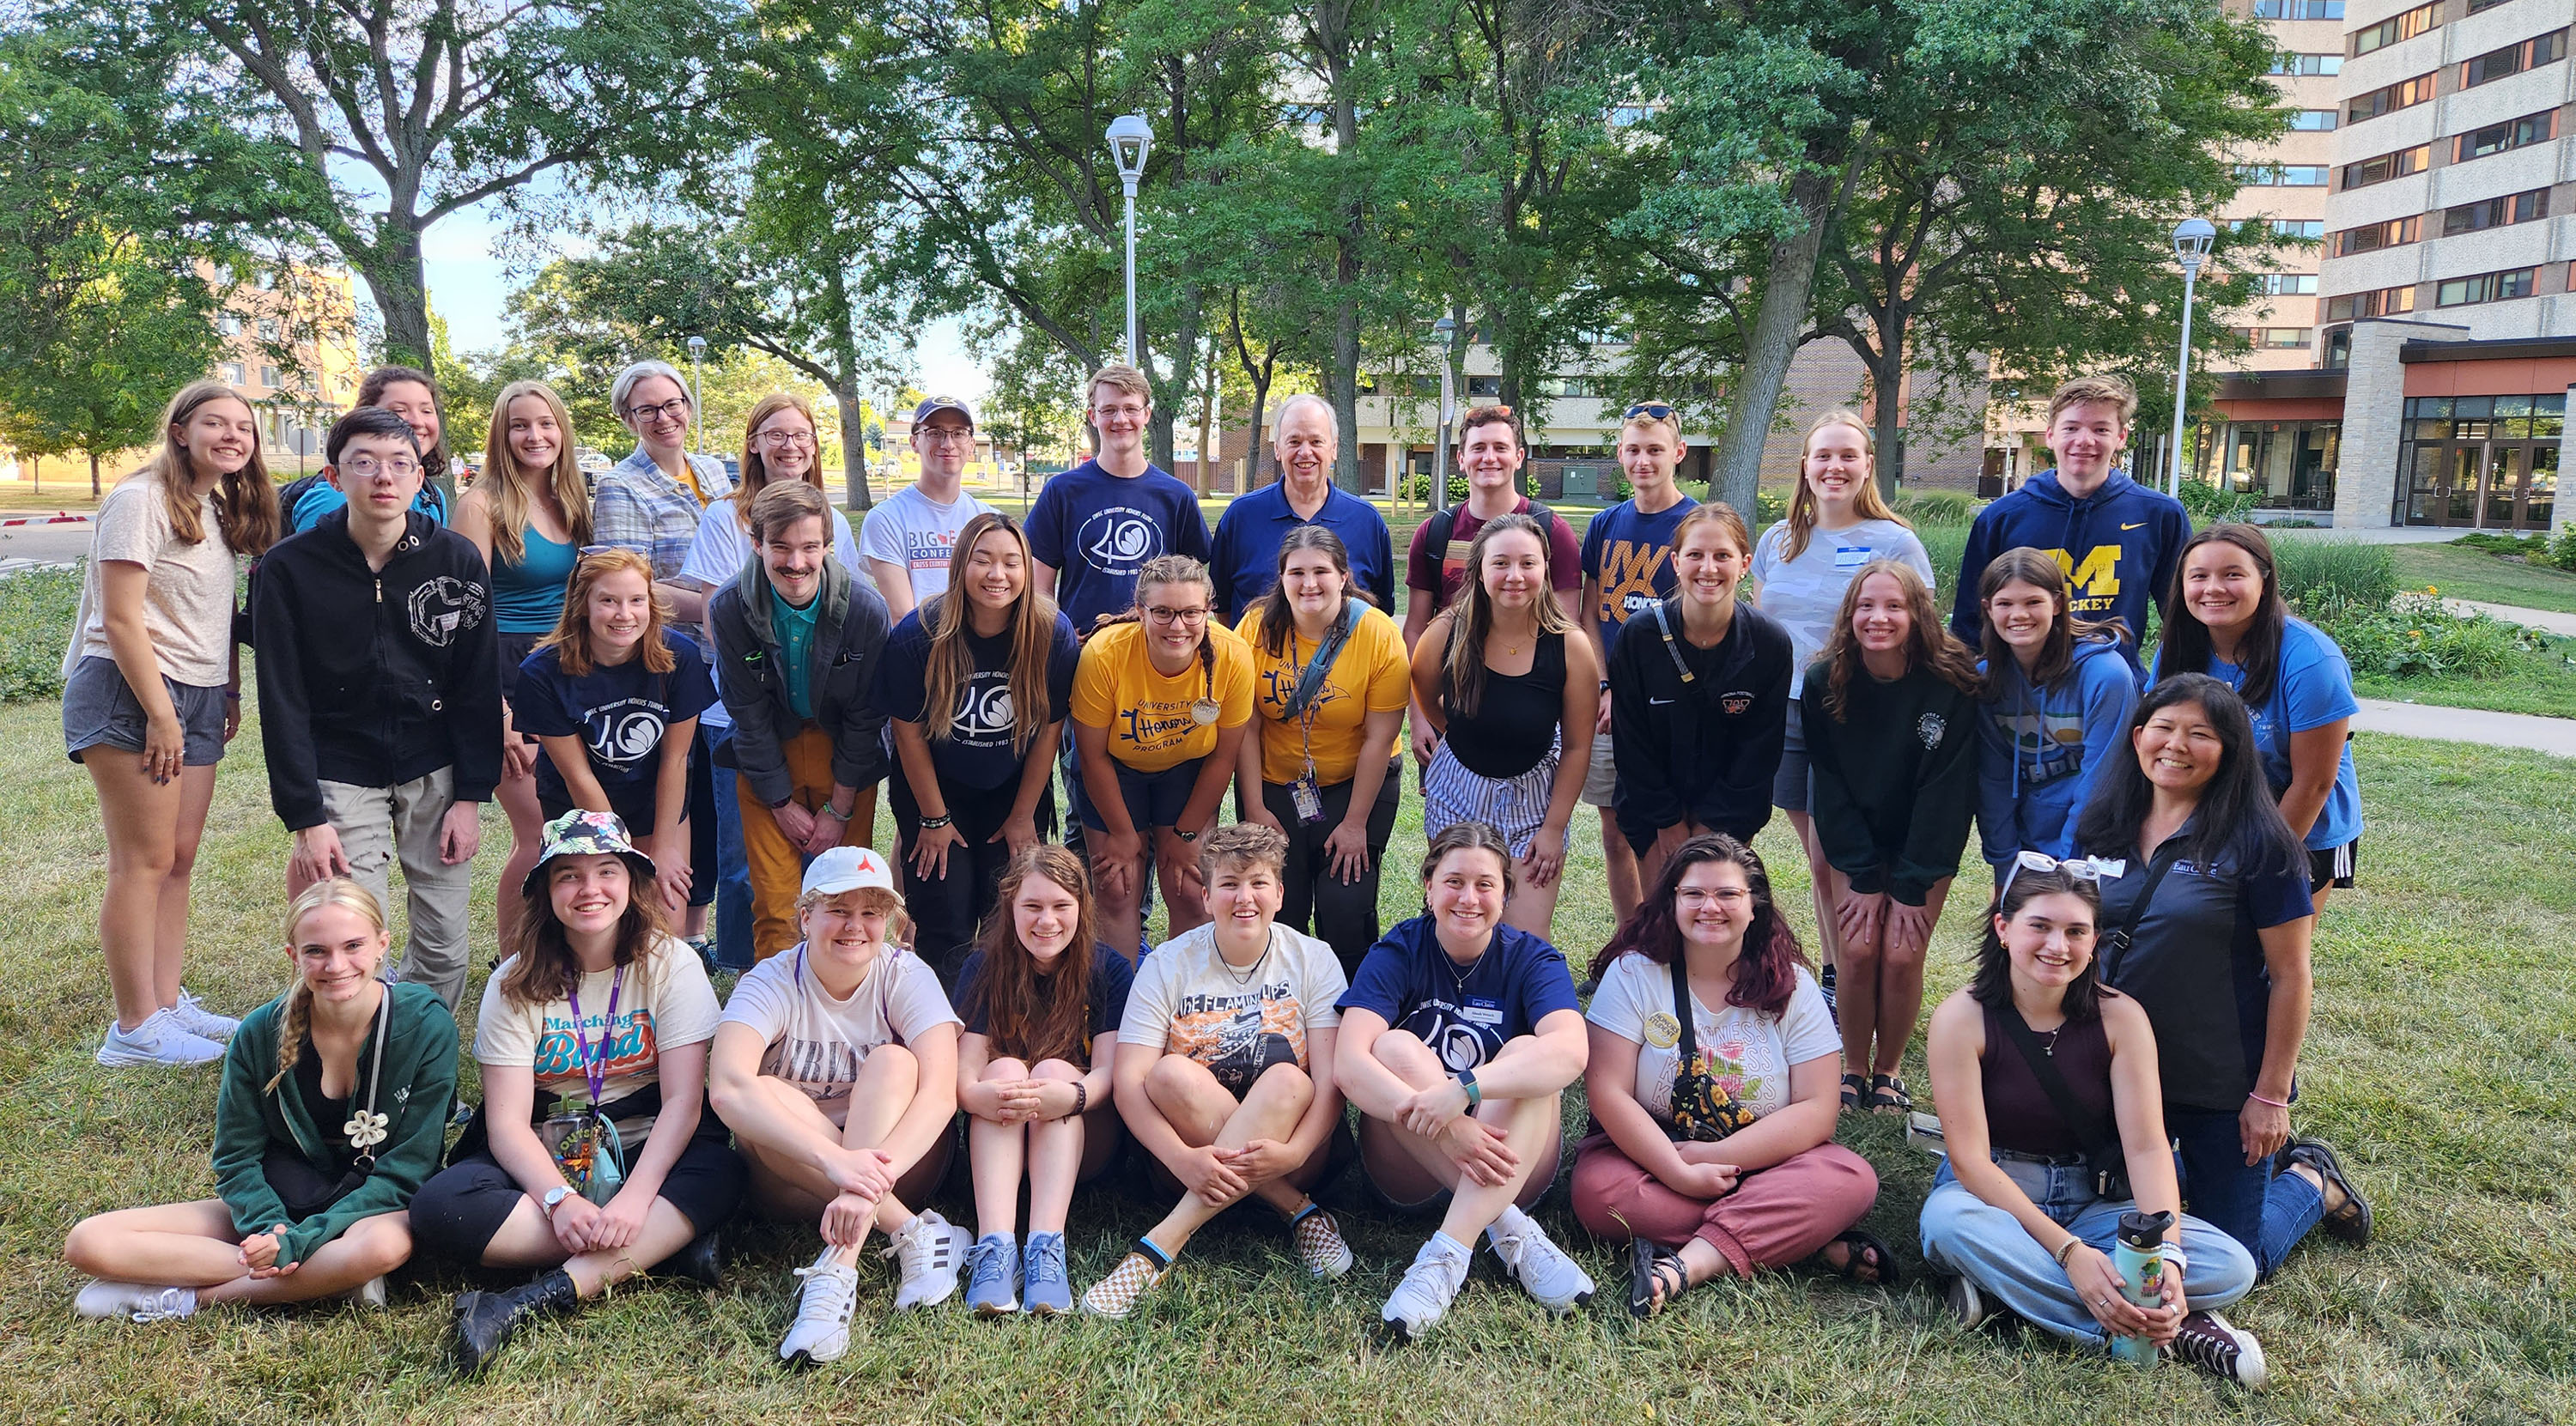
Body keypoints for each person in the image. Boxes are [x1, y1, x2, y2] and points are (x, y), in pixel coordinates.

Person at [410, 811, 743, 1374]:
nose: (590, 889)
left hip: (650, 1146)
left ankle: (523, 1301)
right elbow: (508, 1123)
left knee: (726, 1175)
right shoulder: (512, 981)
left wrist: (636, 1197)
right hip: (549, 1153)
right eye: (568, 875)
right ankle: (659, 1250)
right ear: (545, 890)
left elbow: (685, 1100)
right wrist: (558, 1201)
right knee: (439, 1207)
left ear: (631, 882)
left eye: (606, 870)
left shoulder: (673, 965)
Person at [1919, 862, 2268, 1386]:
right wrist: (2070, 1253)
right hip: (1995, 1197)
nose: (2057, 946)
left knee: (2232, 1263)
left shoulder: (2121, 1017)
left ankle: (2006, 1295)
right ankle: (2145, 1329)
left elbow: (2148, 1148)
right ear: (2003, 927)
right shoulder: (1961, 1018)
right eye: (2040, 926)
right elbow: (1968, 1160)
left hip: (2095, 1200)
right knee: (1950, 1226)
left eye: (2076, 931)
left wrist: (2166, 1258)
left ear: (2095, 941)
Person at [2073, 676, 2372, 1281]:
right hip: (2119, 1073)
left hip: (2220, 1085)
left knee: (2240, 1260)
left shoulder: (2261, 846)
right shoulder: (2101, 827)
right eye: (2163, 727)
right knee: (2108, 1218)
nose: (2176, 744)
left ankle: (2309, 1179)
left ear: (2230, 750)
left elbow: (2292, 974)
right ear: (2137, 737)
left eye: (2200, 733)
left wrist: (2269, 1095)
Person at [63, 878, 458, 1322]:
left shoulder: (425, 1024)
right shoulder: (259, 1033)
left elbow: (409, 1171)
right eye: (316, 951)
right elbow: (236, 1159)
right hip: (283, 1199)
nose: (336, 964)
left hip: (371, 1210)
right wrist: (270, 1229)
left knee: (385, 1246)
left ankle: (187, 1300)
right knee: (89, 1241)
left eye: (353, 946)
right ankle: (329, 1277)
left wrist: (303, 1238)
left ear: (382, 945)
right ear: (294, 955)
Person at [1572, 836, 1890, 1318]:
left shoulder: (1793, 986)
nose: (1710, 908)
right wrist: (1679, 1170)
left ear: (1754, 904)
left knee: (1853, 1179)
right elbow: (1608, 1093)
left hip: (1768, 1159)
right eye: (1693, 894)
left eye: (1727, 894)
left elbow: (1818, 1109)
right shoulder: (1634, 974)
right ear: (1672, 900)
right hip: (1653, 1158)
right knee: (1598, 1195)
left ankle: (1690, 1264)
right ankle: (1799, 1237)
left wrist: (1716, 1156)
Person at [252, 406, 499, 1010]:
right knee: (353, 932)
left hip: (434, 767)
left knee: (445, 947)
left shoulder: (457, 562)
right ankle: (357, 1049)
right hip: (340, 769)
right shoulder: (289, 569)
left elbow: (476, 684)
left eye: (399, 465)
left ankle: (419, 1042)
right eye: (364, 464)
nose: (383, 478)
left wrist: (470, 797)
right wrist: (306, 818)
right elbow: (280, 699)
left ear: (422, 478)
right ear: (334, 478)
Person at [64, 380, 279, 1065]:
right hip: (133, 692)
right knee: (143, 861)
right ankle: (133, 1028)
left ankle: (163, 999)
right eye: (215, 422)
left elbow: (212, 614)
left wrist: (229, 689)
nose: (232, 436)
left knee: (178, 860)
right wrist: (161, 714)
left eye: (242, 427)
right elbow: (121, 616)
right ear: (180, 430)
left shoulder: (212, 507)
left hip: (198, 692)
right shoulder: (140, 498)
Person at [1078, 825, 1355, 1319]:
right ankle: (1296, 1209)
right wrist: (1182, 1159)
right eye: (1229, 884)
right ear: (1206, 896)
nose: (1243, 898)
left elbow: (1332, 1082)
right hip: (1185, 1160)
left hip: (1291, 1153)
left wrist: (1292, 1152)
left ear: (1280, 895)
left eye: (1258, 883)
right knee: (1166, 1075)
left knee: (1291, 1080)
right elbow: (1128, 1081)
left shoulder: (1313, 959)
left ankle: (1159, 1245)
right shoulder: (1167, 963)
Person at [708, 846, 967, 1362]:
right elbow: (727, 1087)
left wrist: (861, 1179)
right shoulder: (771, 979)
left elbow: (941, 1092)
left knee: (896, 1063)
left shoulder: (904, 974)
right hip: (794, 1178)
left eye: (871, 912)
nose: (855, 926)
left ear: (889, 921)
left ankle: (837, 1272)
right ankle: (914, 1231)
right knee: (763, 1090)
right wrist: (839, 1163)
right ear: (806, 917)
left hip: (903, 1165)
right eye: (839, 910)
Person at [1336, 823, 1594, 1338]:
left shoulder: (1532, 957)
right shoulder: (1400, 949)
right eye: (1454, 881)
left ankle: (1448, 1253)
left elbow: (1571, 1051)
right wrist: (1452, 1127)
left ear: (1505, 893)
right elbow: (1348, 1063)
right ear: (1429, 886)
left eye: (1485, 885)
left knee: (1529, 1052)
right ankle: (1508, 1231)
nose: (1468, 899)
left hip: (1510, 1154)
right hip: (1411, 1165)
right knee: (1393, 1048)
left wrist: (1464, 1091)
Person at [1750, 409, 1935, 1011]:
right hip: (1789, 714)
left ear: (1867, 466)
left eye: (1847, 456)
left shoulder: (1895, 540)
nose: (1834, 466)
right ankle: (1839, 975)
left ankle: (1862, 972)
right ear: (1805, 464)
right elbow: (1758, 630)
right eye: (1823, 455)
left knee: (1846, 852)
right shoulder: (1778, 540)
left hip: (1860, 714)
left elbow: (1920, 633)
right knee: (1819, 856)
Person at [678, 391, 865, 969]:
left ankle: (831, 975)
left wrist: (839, 802)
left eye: (801, 433)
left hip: (829, 731)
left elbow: (855, 663)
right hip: (750, 717)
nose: (797, 560)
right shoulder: (725, 524)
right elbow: (716, 618)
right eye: (776, 433)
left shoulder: (841, 549)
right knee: (750, 869)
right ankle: (749, 976)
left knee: (832, 872)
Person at [1803, 559, 1979, 1118]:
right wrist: (1859, 873)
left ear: (1918, 613)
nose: (1878, 617)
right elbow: (1828, 784)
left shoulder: (1952, 682)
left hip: (1924, 838)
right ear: (1849, 614)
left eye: (1894, 606)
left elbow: (1947, 794)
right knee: (1855, 950)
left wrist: (1907, 884)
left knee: (1902, 954)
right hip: (1854, 836)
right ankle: (1854, 1066)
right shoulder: (1824, 680)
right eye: (1866, 606)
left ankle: (1890, 1070)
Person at [876, 513, 1081, 982]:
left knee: (1006, 914)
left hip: (1010, 790)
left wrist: (1024, 815)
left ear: (1028, 571)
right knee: (944, 917)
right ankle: (937, 1030)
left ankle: (1000, 1032)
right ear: (959, 566)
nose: (997, 574)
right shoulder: (920, 632)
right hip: (936, 788)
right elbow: (906, 731)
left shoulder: (1051, 631)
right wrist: (932, 817)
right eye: (982, 560)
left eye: (1012, 562)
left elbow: (1050, 729)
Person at [708, 482, 894, 960]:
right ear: (757, 544)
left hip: (843, 754)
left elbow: (866, 715)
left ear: (828, 547)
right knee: (776, 903)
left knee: (846, 895)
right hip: (769, 751)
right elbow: (746, 715)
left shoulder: (865, 609)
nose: (796, 563)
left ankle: (844, 999)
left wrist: (841, 807)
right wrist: (779, 802)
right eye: (781, 548)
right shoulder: (729, 608)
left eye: (810, 547)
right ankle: (778, 1020)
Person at [953, 846, 1134, 1315]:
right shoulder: (984, 967)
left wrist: (1070, 1096)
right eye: (1032, 906)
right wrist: (985, 1096)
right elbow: (964, 1076)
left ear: (1083, 908)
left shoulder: (1108, 969)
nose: (1046, 921)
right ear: (1010, 905)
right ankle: (995, 1249)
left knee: (1056, 1071)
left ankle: (1045, 1249)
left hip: (1082, 1137)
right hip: (1004, 1136)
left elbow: (1111, 1075)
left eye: (1061, 906)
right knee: (1006, 1073)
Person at [2152, 524, 2362, 907]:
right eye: (2198, 576)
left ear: (2264, 582)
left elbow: (2314, 783)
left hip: (2302, 825)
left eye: (2233, 575)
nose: (2213, 588)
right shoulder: (2179, 648)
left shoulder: (2311, 660)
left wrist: (2261, 868)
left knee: (2270, 957)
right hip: (2214, 818)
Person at [1409, 515, 1601, 936]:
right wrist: (1466, 733)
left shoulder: (1570, 646)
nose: (1515, 577)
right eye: (1501, 564)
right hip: (1459, 790)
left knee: (1522, 941)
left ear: (1545, 570)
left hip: (1533, 802)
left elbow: (1576, 748)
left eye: (1528, 564)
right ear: (1479, 569)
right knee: (1463, 926)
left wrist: (1553, 829)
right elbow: (1426, 693)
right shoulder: (1446, 633)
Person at [453, 379, 592, 950]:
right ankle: (512, 966)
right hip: (507, 670)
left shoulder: (574, 498)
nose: (535, 435)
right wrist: (501, 710)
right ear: (501, 435)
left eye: (546, 423)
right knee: (537, 832)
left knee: (576, 828)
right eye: (520, 425)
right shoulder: (480, 504)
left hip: (571, 667)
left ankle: (560, 952)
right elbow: (462, 619)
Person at [513, 549, 719, 933]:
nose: (625, 614)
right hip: (579, 807)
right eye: (608, 601)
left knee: (661, 921)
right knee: (598, 922)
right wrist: (618, 855)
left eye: (637, 600)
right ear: (582, 606)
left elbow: (676, 761)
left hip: (659, 803)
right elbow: (578, 777)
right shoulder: (542, 674)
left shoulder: (680, 658)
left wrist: (662, 847)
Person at [1234, 525, 1409, 974]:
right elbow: (1246, 724)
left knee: (1344, 905)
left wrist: (1354, 824)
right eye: (1297, 572)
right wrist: (1254, 805)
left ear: (1344, 576)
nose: (1309, 583)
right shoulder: (1256, 627)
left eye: (1321, 571)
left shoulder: (1378, 634)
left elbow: (1378, 738)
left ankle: (1352, 1006)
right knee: (1278, 903)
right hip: (1274, 784)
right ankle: (1280, 1004)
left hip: (1356, 783)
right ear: (1281, 577)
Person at [1069, 554, 1255, 956]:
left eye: (1191, 613)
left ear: (1208, 610)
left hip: (1187, 770)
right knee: (1118, 889)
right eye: (1163, 612)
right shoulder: (1104, 654)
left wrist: (1187, 835)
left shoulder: (1233, 655)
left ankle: (1180, 1002)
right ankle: (1122, 1004)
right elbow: (1091, 755)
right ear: (1140, 611)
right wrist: (1122, 834)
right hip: (1114, 769)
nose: (1178, 626)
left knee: (1187, 888)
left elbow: (1224, 757)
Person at [1949, 373, 2190, 674]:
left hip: (2111, 686)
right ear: (2050, 435)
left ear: (2121, 437)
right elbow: (1969, 624)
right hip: (2018, 689)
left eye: (2101, 429)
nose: (2084, 440)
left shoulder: (2159, 515)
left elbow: (2183, 619)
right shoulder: (2002, 518)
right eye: (2071, 428)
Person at [1607, 503, 1793, 891]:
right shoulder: (1639, 637)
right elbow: (1632, 744)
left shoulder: (1769, 643)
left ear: (1744, 564)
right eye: (1695, 555)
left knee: (1714, 918)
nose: (1708, 568)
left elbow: (1759, 752)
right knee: (1664, 923)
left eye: (1722, 556)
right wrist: (1669, 824)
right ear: (1675, 562)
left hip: (1731, 812)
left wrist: (1711, 828)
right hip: (1653, 813)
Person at [1400, 404, 1583, 767]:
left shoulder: (1551, 532)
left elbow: (1566, 630)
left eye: (1500, 447)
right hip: (1453, 700)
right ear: (1461, 457)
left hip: (1529, 709)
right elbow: (1415, 631)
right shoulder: (1436, 533)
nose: (1489, 458)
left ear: (1518, 457)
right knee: (1453, 822)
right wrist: (1420, 714)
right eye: (1479, 448)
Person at [1578, 400, 1700, 924]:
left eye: (1654, 450)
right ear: (1620, 456)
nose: (1643, 460)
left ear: (1679, 452)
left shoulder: (1694, 524)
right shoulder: (1605, 525)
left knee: (1678, 832)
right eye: (1633, 450)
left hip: (1674, 706)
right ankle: (1633, 943)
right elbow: (1587, 614)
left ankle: (1679, 936)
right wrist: (1604, 686)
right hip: (1611, 703)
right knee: (1617, 831)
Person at [1972, 548, 2137, 877]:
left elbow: (2101, 782)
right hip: (2027, 851)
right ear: (1988, 610)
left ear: (2058, 604)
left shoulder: (2106, 675)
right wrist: (2007, 865)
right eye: (2005, 604)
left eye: (2033, 602)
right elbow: (1994, 781)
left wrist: (2069, 867)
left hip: (2095, 850)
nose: (2019, 614)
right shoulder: (1986, 680)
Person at [1026, 364, 1212, 640]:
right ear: (1093, 416)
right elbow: (1040, 585)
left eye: (1131, 409)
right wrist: (1056, 635)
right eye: (1109, 410)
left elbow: (1195, 584)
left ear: (1146, 414)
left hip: (1156, 649)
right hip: (1082, 647)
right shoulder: (1063, 491)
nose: (1120, 419)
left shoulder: (1176, 496)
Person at [1207, 394, 1394, 622]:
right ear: (1278, 449)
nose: (1305, 452)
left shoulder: (1366, 521)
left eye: (1316, 441)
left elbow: (1378, 610)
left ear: (1334, 448)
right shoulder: (1241, 517)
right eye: (1294, 442)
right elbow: (1223, 608)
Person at [595, 359, 734, 599]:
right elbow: (629, 589)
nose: (664, 418)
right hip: (674, 635)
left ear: (688, 408)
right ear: (629, 420)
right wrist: (729, 609)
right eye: (647, 410)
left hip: (735, 634)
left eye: (672, 404)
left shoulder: (714, 470)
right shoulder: (619, 487)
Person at [860, 396, 1000, 622]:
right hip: (918, 651)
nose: (948, 444)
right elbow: (902, 617)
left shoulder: (990, 521)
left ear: (971, 444)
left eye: (959, 433)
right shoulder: (886, 519)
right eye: (935, 432)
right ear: (914, 442)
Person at [286, 366, 451, 531]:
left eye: (427, 411)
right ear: (366, 415)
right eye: (399, 410)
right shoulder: (335, 499)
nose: (417, 421)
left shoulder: (431, 495)